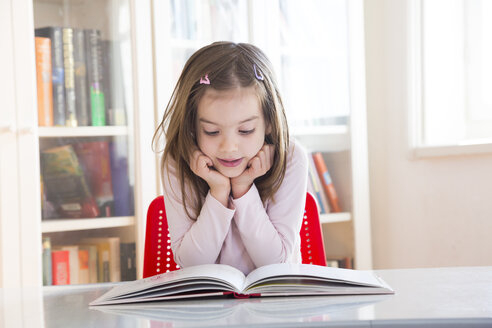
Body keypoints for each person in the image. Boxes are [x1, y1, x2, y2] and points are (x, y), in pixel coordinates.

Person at [153, 41, 308, 275]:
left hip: (276, 305)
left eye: (245, 131)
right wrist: (218, 193)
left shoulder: (292, 158)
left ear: (268, 122)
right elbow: (192, 264)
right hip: (207, 308)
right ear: (192, 126)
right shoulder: (177, 161)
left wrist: (243, 189)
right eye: (212, 132)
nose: (229, 148)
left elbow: (275, 262)